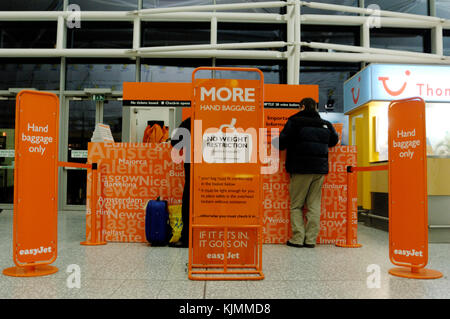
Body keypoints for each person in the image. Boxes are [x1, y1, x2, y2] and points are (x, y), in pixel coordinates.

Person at [277, 98, 339, 248]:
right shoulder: (326, 124)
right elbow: (334, 141)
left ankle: (298, 239)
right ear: (316, 108)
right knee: (313, 205)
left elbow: (281, 144)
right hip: (319, 169)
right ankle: (311, 240)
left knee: (296, 205)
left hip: (300, 168)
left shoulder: (294, 121)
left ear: (302, 107)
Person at [169, 117, 191, 248]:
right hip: (218, 172)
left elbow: (176, 143)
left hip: (193, 168)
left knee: (188, 201)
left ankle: (186, 238)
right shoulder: (220, 119)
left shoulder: (190, 121)